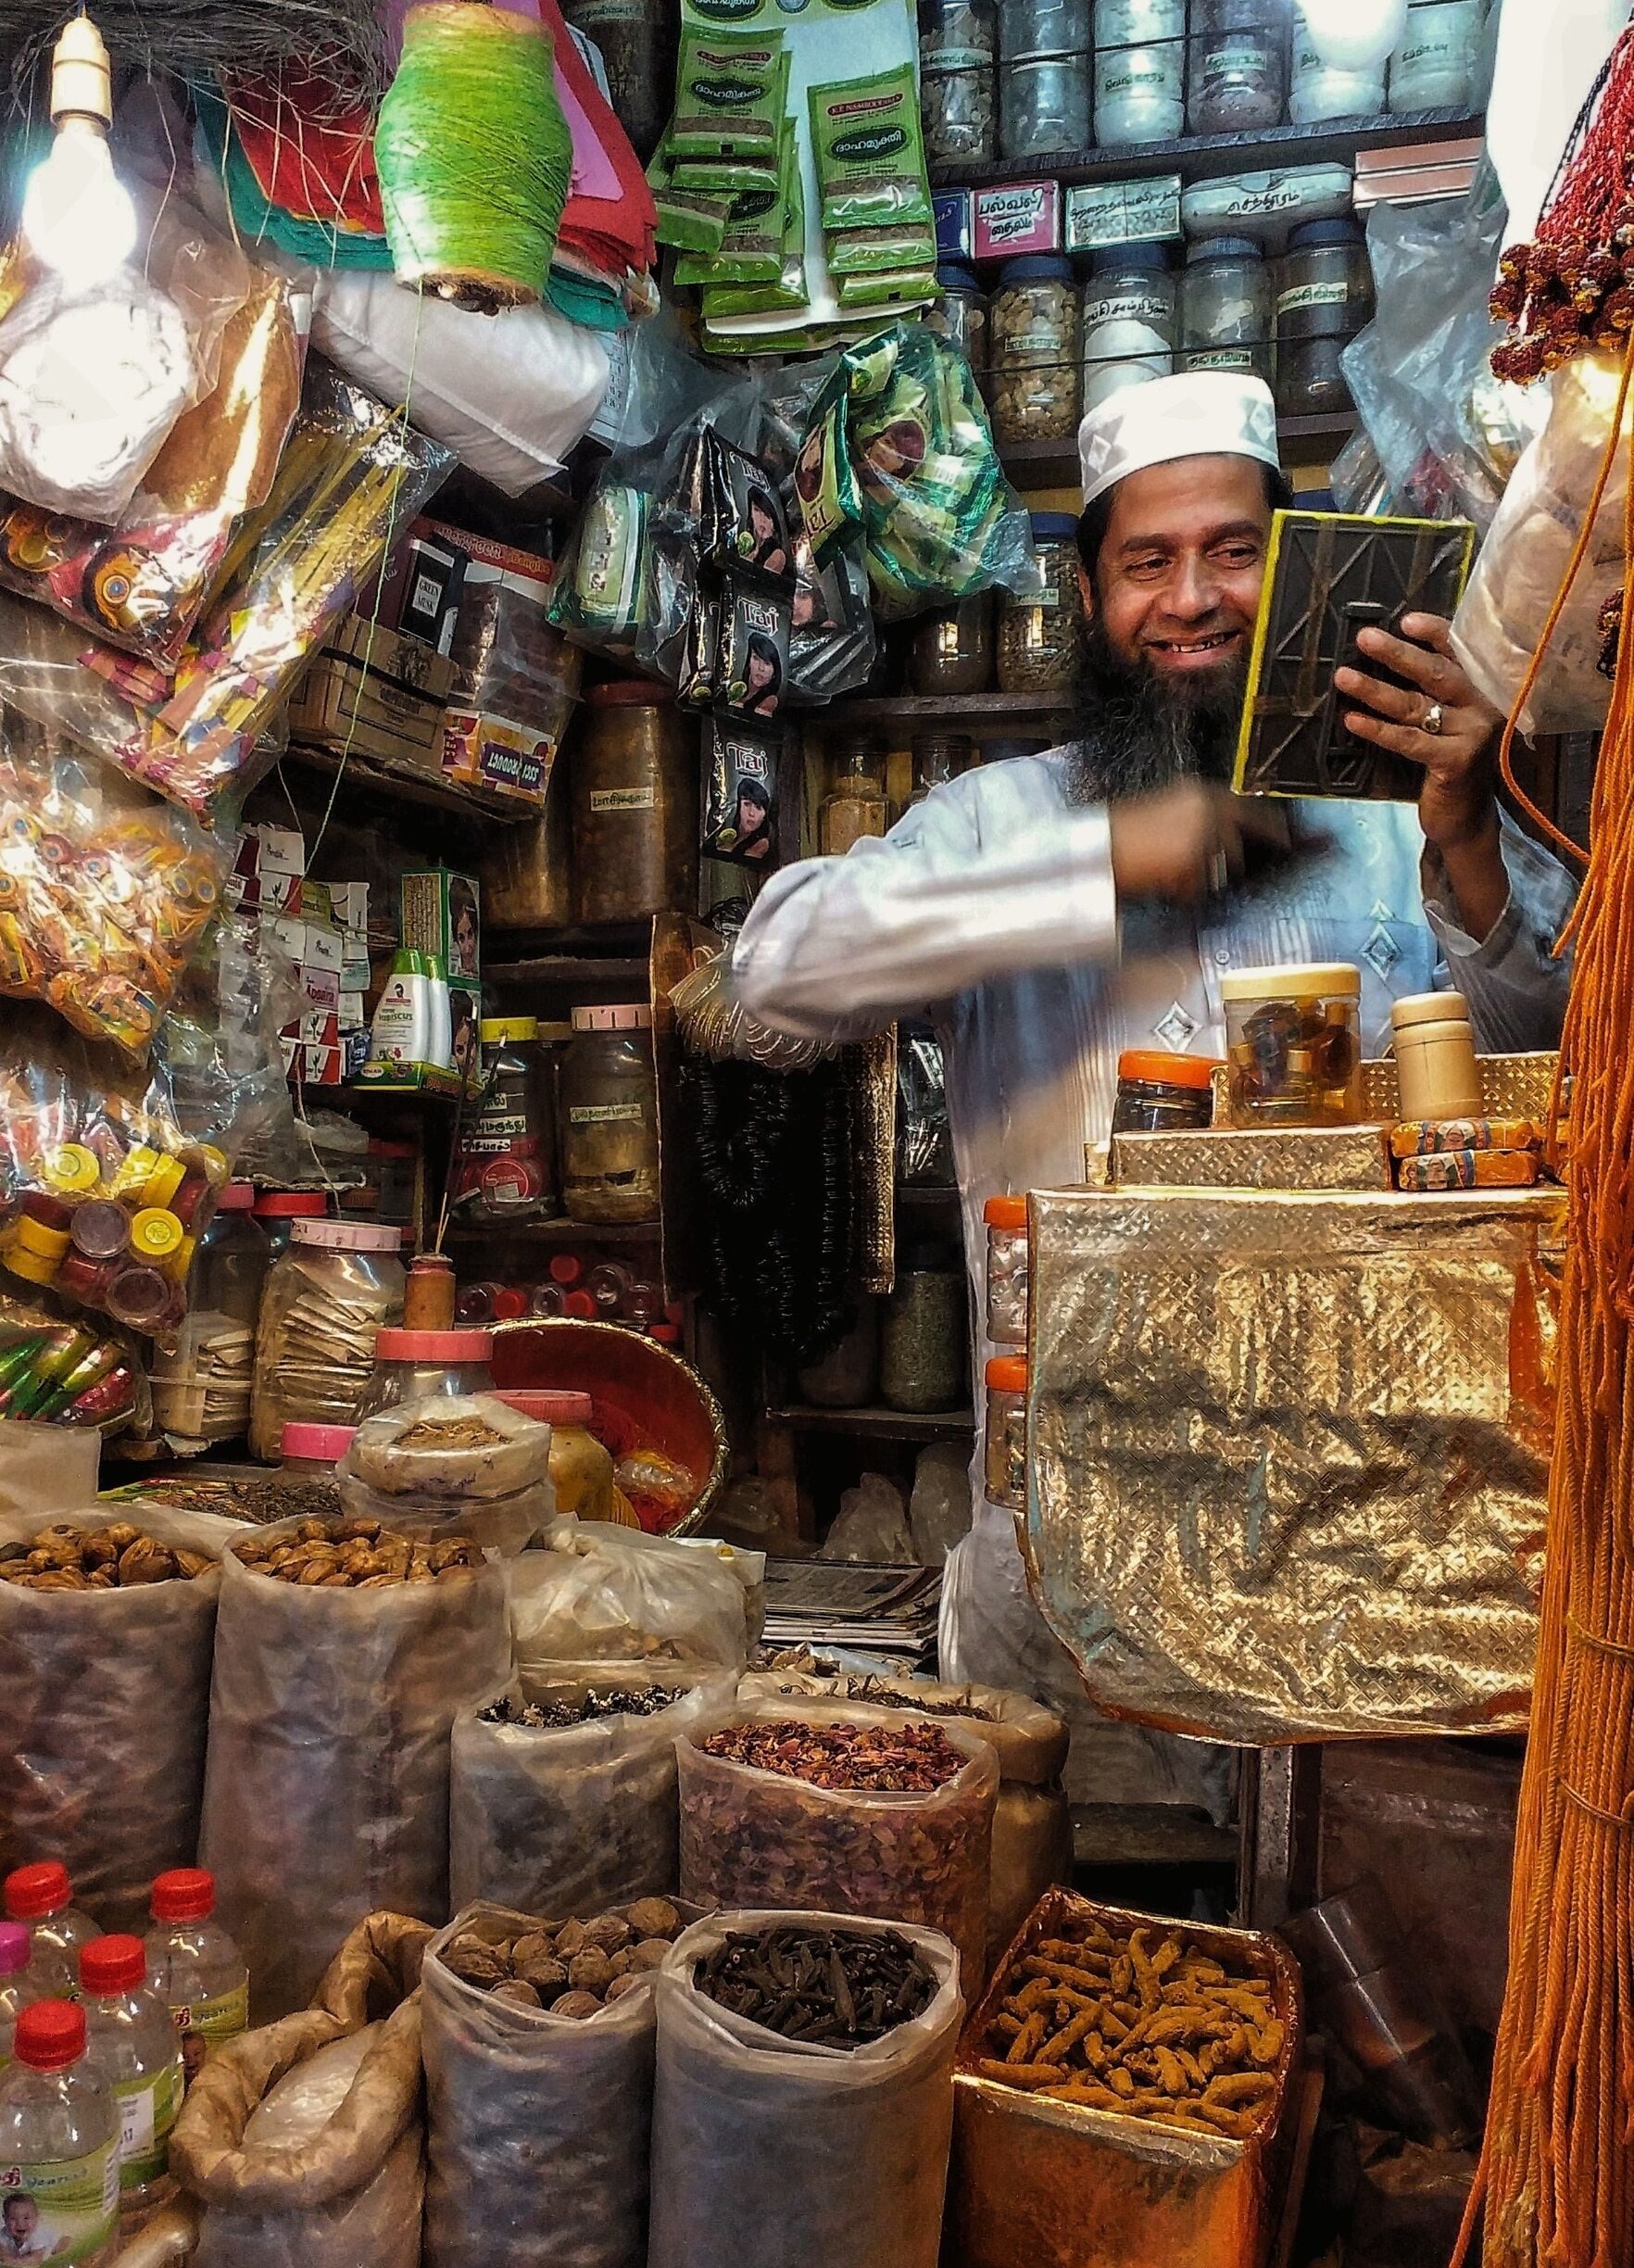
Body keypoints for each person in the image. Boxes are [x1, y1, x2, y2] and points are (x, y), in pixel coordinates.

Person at [735, 372, 1577, 1816]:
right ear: (1090, 593)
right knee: (1056, 1909)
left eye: (1233, 552)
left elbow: (1559, 1066)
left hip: (1361, 1562)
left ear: (1291, 567)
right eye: (1148, 561)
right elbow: (773, 977)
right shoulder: (1001, 822)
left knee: (1335, 1920)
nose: (1192, 599)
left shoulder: (1396, 820)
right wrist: (1106, 865)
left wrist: (1470, 838)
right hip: (1061, 1585)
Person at [0, 2194, 48, 2264]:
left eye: (26, 2218)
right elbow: (3, 2255)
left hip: (52, 2244)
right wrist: (7, 2258)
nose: (20, 2223)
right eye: (13, 2218)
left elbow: (36, 2258)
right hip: (18, 2257)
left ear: (36, 2217)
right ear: (5, 2219)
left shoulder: (38, 2235)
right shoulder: (4, 2234)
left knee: (62, 2245)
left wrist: (14, 2261)